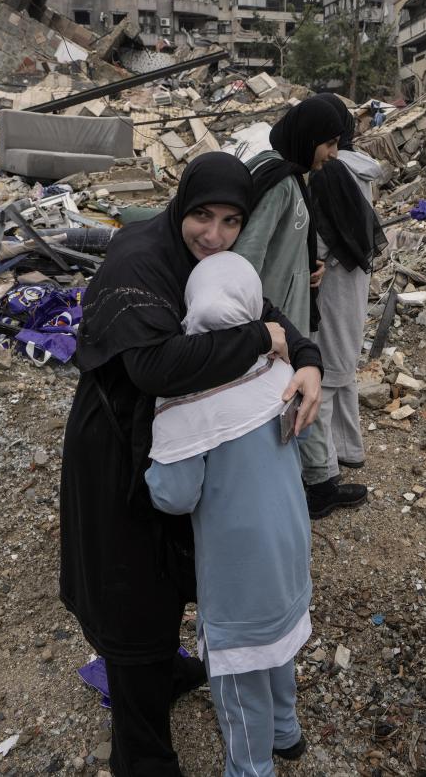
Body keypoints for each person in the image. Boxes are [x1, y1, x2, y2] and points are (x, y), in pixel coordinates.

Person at [59, 151, 323, 777]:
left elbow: (252, 303)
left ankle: (176, 667)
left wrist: (307, 355)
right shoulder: (139, 261)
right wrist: (264, 341)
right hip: (119, 448)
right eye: (202, 216)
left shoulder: (213, 259)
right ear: (181, 204)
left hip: (186, 438)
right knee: (132, 593)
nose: (215, 236)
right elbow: (152, 367)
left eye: (232, 221)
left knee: (183, 563)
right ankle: (144, 756)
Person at [145, 252, 313, 777]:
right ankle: (287, 733)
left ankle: (251, 767)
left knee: (239, 671)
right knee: (279, 644)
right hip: (289, 540)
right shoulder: (278, 368)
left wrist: (148, 468)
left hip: (237, 562)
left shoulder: (188, 394)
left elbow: (174, 495)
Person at [233, 95, 368, 519]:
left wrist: (306, 268)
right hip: (275, 319)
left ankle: (320, 484)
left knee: (298, 395)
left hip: (289, 309)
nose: (332, 153)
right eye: (328, 143)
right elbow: (250, 256)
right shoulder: (279, 182)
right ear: (307, 137)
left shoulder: (290, 175)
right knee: (294, 396)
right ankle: (313, 488)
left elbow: (281, 247)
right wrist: (256, 321)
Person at [308, 99, 385, 475]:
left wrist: (309, 261)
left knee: (323, 374)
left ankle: (323, 468)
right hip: (354, 279)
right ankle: (348, 449)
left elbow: (326, 234)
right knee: (343, 370)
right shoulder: (360, 169)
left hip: (332, 281)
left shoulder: (331, 171)